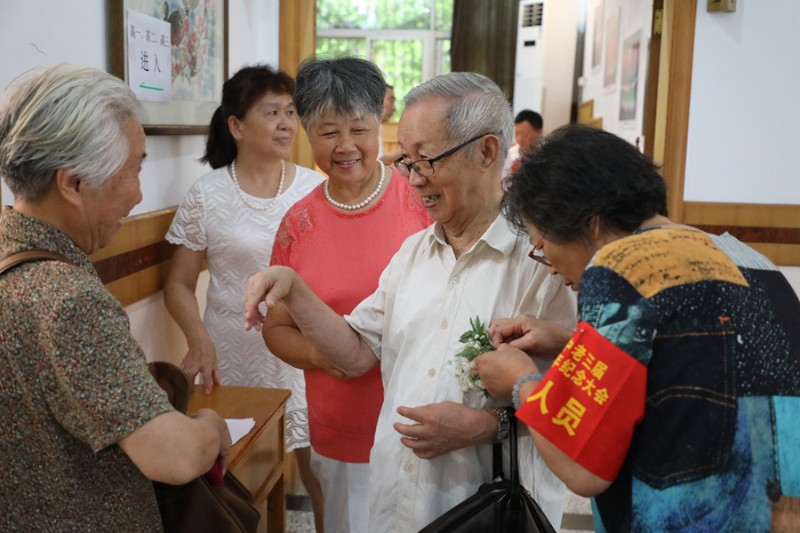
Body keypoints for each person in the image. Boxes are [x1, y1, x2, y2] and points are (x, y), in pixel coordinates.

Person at [245, 72, 577, 532]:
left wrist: (485, 427)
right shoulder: (414, 253)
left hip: (492, 508)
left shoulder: (546, 261)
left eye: (427, 161)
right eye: (406, 161)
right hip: (399, 501)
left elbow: (576, 406)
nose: (414, 180)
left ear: (486, 152)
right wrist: (294, 289)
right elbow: (358, 352)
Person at [475, 124, 800, 532]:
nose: (551, 267)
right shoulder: (753, 261)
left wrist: (521, 381)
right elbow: (699, 362)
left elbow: (582, 467)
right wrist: (568, 345)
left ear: (589, 222)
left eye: (542, 246)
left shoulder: (621, 264)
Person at [0, 64, 230, 530]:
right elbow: (175, 456)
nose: (138, 194)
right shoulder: (67, 301)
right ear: (73, 183)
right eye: (133, 169)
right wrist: (211, 427)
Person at [264, 56, 431, 533]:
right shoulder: (299, 223)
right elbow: (276, 328)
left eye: (358, 128)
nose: (344, 146)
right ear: (307, 134)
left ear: (381, 123)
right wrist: (324, 355)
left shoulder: (420, 201)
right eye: (327, 131)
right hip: (339, 416)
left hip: (418, 414)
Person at [163, 64, 325, 528]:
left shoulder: (314, 189)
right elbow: (177, 283)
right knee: (238, 473)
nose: (286, 124)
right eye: (272, 112)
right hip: (229, 351)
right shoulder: (208, 193)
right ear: (236, 126)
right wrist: (197, 339)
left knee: (319, 468)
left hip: (300, 346)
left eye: (291, 112)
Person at [502, 109, 543, 178]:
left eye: (524, 134)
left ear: (539, 132)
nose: (520, 139)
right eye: (517, 133)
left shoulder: (546, 156)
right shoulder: (510, 154)